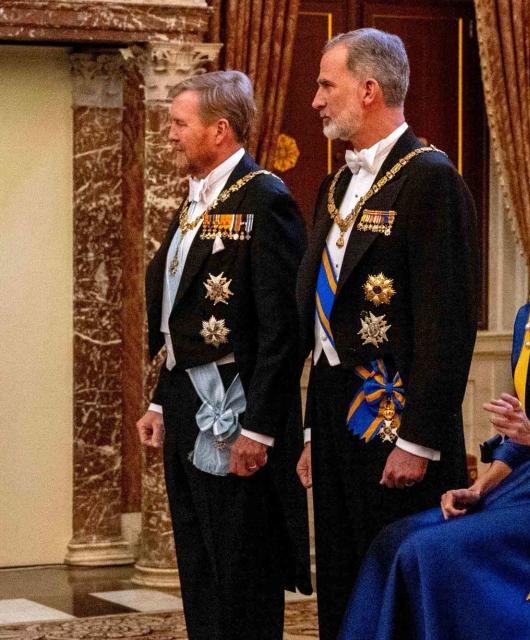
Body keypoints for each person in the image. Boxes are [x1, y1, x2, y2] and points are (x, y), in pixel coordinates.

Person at [338, 154, 530, 640]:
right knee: (394, 540)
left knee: (427, 554)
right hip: (525, 485)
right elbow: (518, 437)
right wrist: (479, 488)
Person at [294, 28, 480, 638]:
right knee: (344, 582)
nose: (316, 99)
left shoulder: (429, 179)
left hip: (396, 425)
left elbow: (446, 323)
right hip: (337, 416)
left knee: (399, 590)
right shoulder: (336, 185)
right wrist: (315, 430)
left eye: (328, 84)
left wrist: (420, 440)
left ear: (369, 89)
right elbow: (327, 323)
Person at [135, 70, 312, 639]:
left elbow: (282, 329)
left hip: (237, 409)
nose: (169, 135)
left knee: (240, 564)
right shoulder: (194, 199)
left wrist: (259, 429)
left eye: (179, 124)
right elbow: (176, 313)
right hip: (189, 401)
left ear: (220, 129)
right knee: (199, 560)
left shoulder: (266, 198)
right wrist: (162, 402)